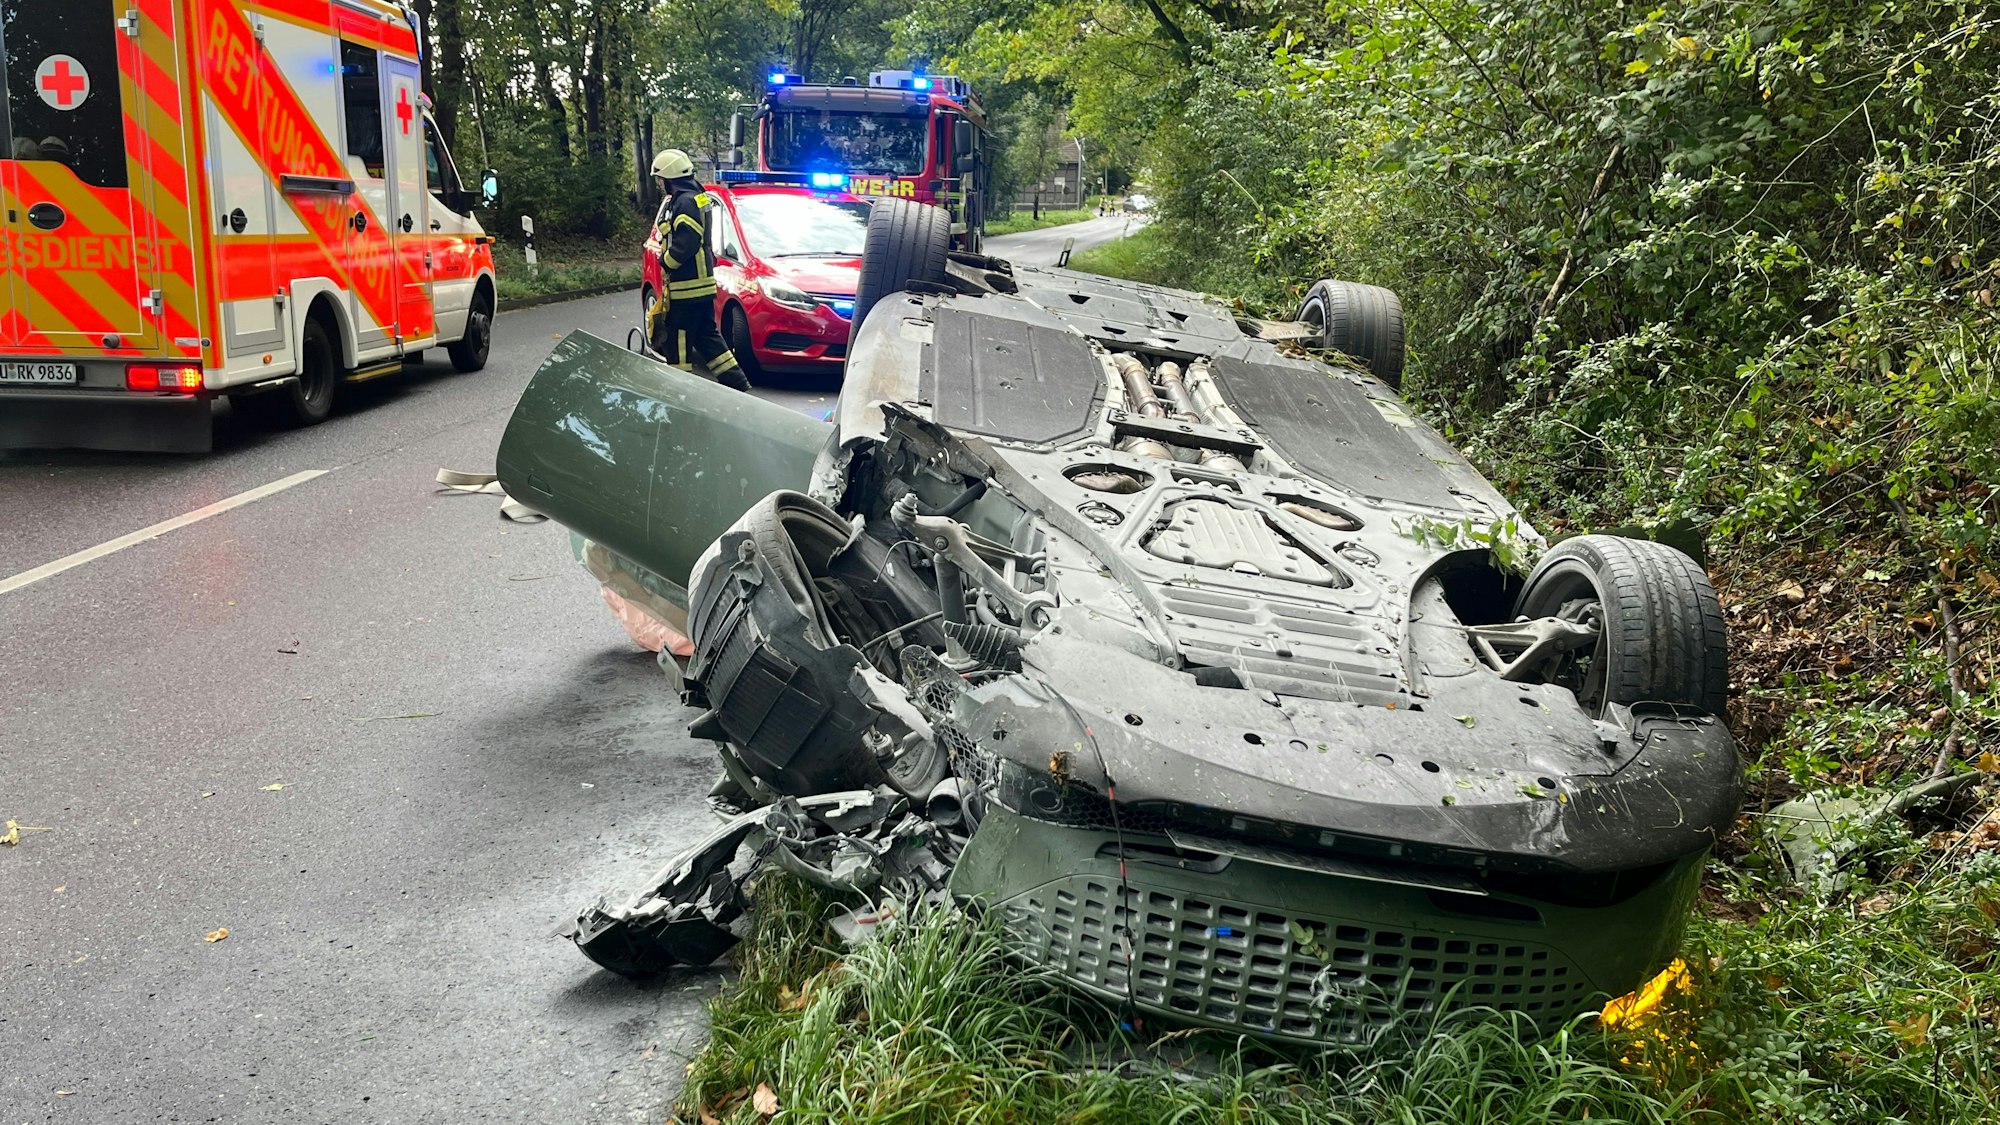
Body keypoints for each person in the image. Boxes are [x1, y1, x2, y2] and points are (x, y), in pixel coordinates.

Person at [645, 149, 747, 390]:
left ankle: (679, 392)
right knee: (708, 339)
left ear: (669, 178)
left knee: (677, 343)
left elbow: (687, 241)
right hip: (701, 289)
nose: (661, 184)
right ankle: (738, 385)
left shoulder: (684, 202)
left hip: (686, 290)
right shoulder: (698, 196)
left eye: (661, 179)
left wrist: (666, 261)